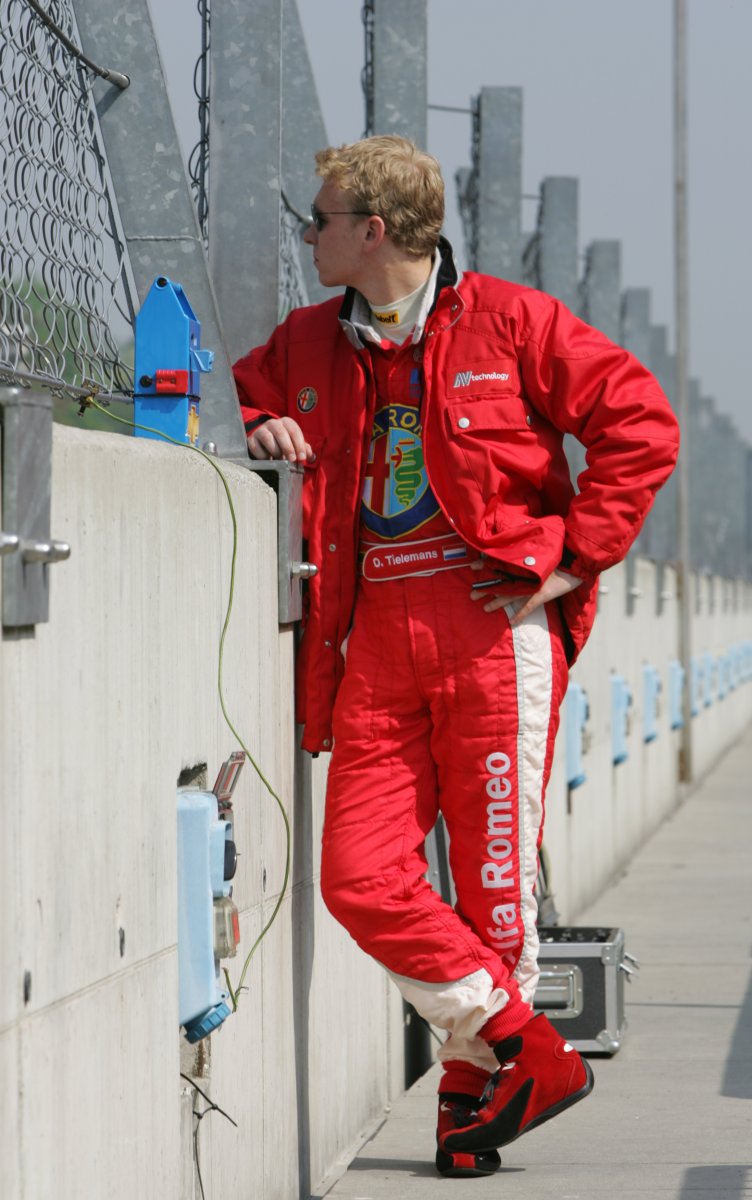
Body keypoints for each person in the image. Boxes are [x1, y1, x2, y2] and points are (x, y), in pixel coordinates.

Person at [234, 135, 679, 1178]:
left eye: (323, 218)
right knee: (357, 875)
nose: (308, 233)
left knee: (492, 894)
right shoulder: (304, 344)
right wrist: (259, 426)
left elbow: (639, 425)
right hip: (369, 642)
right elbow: (236, 394)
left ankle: (469, 1103)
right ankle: (526, 1045)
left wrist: (569, 562)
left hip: (493, 634)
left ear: (373, 231)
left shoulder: (513, 323)